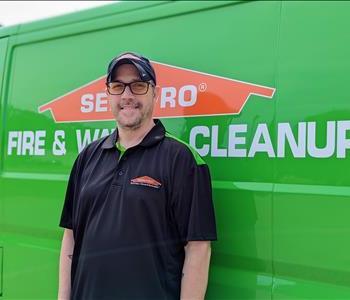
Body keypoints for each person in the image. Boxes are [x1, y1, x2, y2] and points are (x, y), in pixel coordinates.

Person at [58, 51, 217, 300]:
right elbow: (71, 236)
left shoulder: (182, 159)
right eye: (118, 86)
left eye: (138, 86)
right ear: (108, 94)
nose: (127, 95)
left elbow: (198, 249)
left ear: (155, 93)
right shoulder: (87, 156)